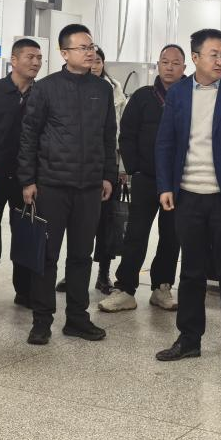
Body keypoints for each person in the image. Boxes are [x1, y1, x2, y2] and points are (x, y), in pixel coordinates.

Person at [154, 28, 221, 374]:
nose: (220, 61)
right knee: (191, 272)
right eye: (214, 54)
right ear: (196, 57)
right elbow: (166, 142)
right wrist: (165, 186)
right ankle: (189, 339)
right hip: (187, 196)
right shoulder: (179, 93)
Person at [17, 23, 115, 346]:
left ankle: (77, 318)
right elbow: (29, 136)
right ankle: (41, 320)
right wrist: (27, 180)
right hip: (52, 185)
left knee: (81, 256)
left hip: (89, 187)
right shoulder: (46, 88)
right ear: (64, 53)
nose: (90, 53)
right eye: (82, 48)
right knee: (46, 256)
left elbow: (108, 136)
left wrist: (107, 175)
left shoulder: (102, 90)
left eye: (91, 47)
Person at [99, 44, 186, 313]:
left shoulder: (190, 98)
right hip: (146, 178)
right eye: (165, 61)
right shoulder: (142, 97)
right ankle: (126, 289)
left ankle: (162, 287)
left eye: (175, 63)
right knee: (135, 234)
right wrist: (134, 168)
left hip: (179, 181)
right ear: (158, 65)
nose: (169, 67)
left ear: (185, 67)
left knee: (171, 236)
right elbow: (126, 134)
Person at [0, 38, 43, 311]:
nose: (36, 62)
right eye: (30, 57)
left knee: (27, 233)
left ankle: (24, 291)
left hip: (27, 178)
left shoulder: (42, 94)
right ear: (14, 60)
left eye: (39, 58)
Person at [89, 46, 128, 294]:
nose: (94, 65)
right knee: (80, 223)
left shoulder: (115, 90)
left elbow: (122, 132)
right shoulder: (74, 87)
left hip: (109, 162)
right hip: (81, 164)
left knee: (107, 222)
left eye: (98, 61)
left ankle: (104, 273)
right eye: (91, 60)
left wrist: (121, 168)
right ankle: (74, 273)